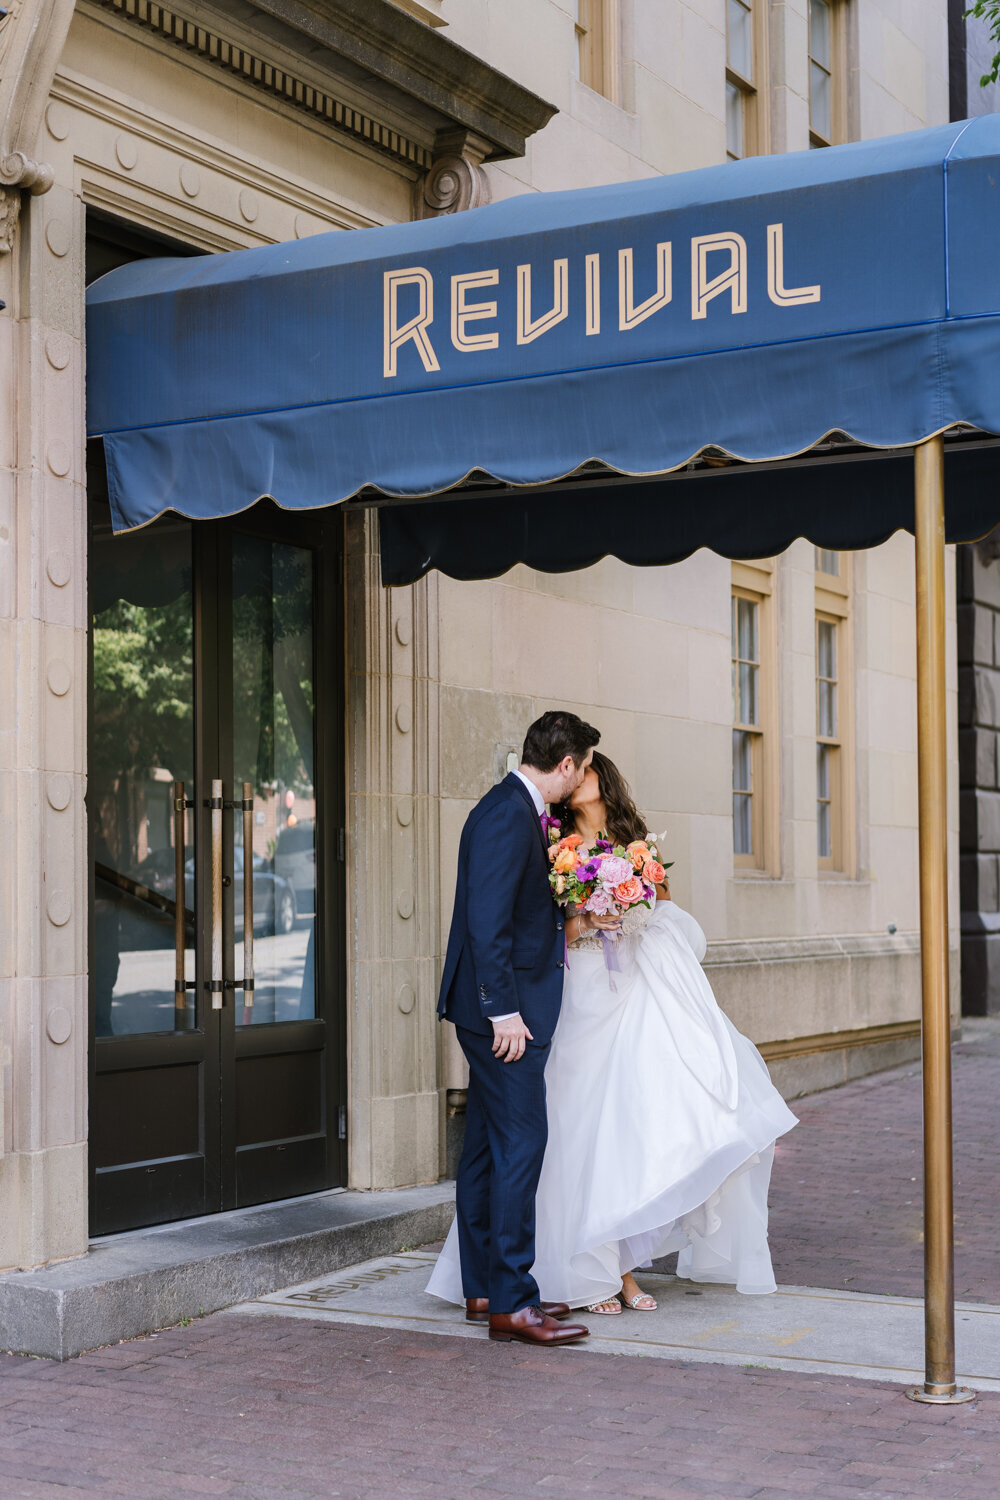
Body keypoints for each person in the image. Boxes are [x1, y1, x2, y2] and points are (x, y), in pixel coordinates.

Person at [430, 750, 798, 1317]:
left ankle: (621, 1265)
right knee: (577, 1126)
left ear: (599, 779)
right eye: (575, 769)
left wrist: (630, 902)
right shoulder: (549, 838)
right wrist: (585, 916)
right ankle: (589, 1270)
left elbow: (663, 901)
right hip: (574, 991)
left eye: (589, 772)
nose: (579, 779)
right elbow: (542, 924)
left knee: (630, 1122)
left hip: (630, 984)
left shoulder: (635, 840)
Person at [428, 710, 615, 1347]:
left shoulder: (512, 807)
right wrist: (502, 1009)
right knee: (521, 1146)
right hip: (504, 1016)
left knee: (484, 1148)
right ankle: (513, 1301)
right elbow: (486, 920)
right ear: (565, 765)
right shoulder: (509, 813)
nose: (585, 776)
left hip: (497, 1010)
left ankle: (482, 1286)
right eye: (584, 766)